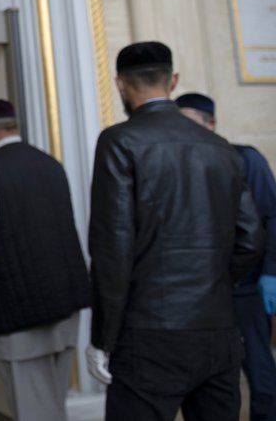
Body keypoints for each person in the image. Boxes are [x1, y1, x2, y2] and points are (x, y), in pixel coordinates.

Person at [86, 42, 263, 421]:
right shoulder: (220, 147)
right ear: (173, 80)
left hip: (148, 336)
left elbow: (111, 251)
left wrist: (102, 338)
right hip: (218, 331)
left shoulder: (119, 141)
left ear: (120, 85)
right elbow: (250, 238)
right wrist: (211, 284)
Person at [0, 99, 89, 421]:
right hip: (65, 309)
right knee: (54, 407)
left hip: (17, 320)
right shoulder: (50, 164)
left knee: (32, 412)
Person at [176, 92, 276, 421]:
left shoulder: (245, 158)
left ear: (212, 122)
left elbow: (272, 217)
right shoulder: (178, 166)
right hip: (202, 294)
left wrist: (271, 273)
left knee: (259, 371)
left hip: (246, 287)